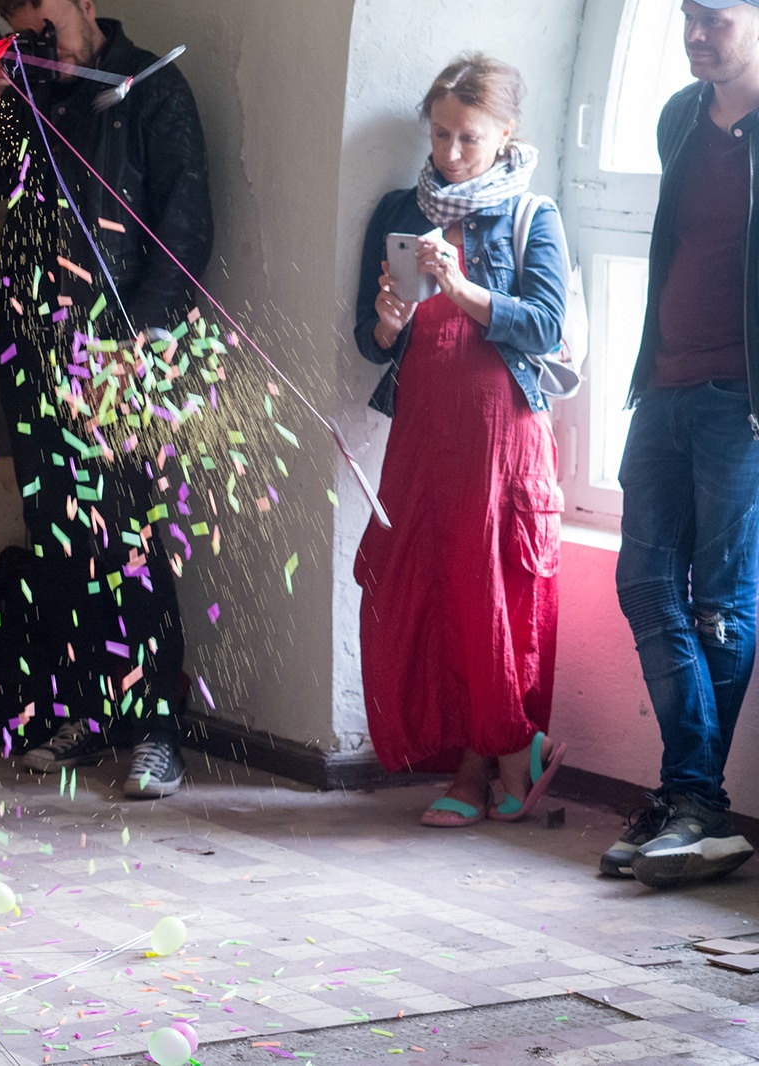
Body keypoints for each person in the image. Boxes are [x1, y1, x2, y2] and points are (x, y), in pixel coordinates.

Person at [0, 0, 211, 799]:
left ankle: (157, 728)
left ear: (86, 3)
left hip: (119, 346)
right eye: (20, 25)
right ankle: (85, 712)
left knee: (127, 533)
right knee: (56, 533)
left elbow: (185, 226)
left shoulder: (152, 86)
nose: (38, 38)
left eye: (46, 18)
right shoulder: (19, 93)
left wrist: (141, 340)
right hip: (29, 340)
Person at [352, 55, 568, 828]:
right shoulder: (397, 211)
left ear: (506, 133)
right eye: (440, 135)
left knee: (489, 592)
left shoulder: (532, 214)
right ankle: (495, 758)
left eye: (468, 138)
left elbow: (546, 324)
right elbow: (368, 341)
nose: (449, 153)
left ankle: (490, 762)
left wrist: (463, 288)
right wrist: (389, 323)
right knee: (422, 586)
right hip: (422, 428)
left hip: (501, 429)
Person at [602, 0, 759, 888]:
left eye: (716, 18)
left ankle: (688, 804)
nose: (696, 34)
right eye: (687, 16)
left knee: (722, 603)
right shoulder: (678, 117)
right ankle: (696, 805)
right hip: (660, 386)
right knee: (645, 583)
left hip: (742, 400)